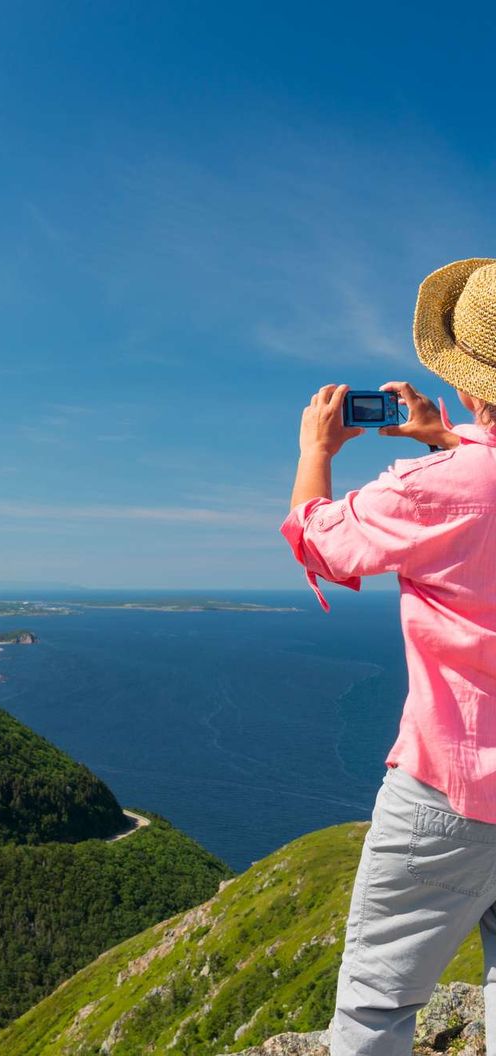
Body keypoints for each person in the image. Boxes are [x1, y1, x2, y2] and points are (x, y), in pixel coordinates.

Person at [279, 258, 496, 1055]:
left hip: (450, 792)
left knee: (377, 1008)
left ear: (470, 383)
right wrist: (449, 437)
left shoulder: (439, 486)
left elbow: (322, 540)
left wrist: (317, 449)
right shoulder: (459, 467)